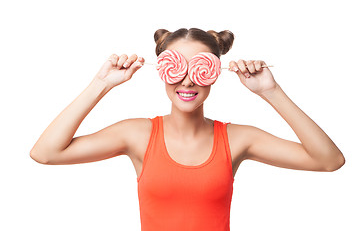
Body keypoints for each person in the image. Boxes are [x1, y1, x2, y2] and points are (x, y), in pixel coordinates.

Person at [30, 28, 345, 231]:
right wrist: (101, 84)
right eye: (178, 67)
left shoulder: (237, 139)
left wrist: (270, 92)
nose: (188, 80)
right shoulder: (137, 135)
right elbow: (45, 153)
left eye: (199, 67)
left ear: (214, 71)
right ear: (164, 69)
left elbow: (329, 161)